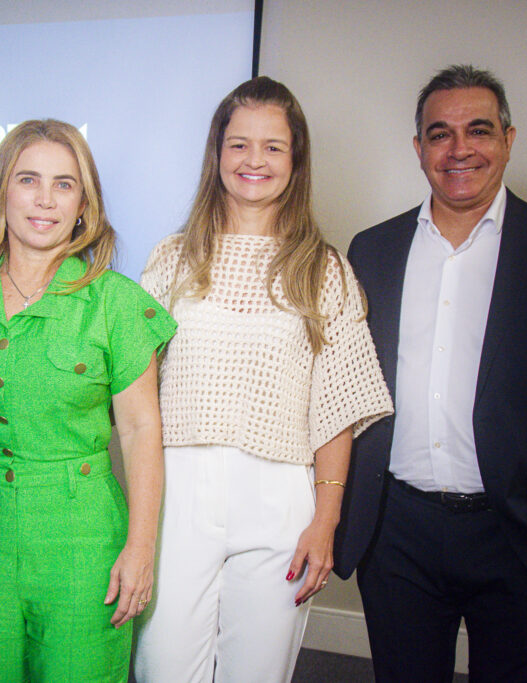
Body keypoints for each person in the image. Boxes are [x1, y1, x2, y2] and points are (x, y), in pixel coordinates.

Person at [334, 64, 527, 681]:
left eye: (478, 130)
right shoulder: (373, 249)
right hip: (398, 534)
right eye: (439, 133)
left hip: (525, 534)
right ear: (419, 148)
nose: (459, 149)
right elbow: (344, 386)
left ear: (507, 138)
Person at [134, 76, 392, 683]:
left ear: (295, 161)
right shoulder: (171, 259)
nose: (255, 160)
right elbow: (136, 394)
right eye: (239, 144)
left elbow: (340, 406)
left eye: (273, 147)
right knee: (163, 668)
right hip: (178, 490)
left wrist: (325, 522)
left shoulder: (324, 270)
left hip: (280, 496)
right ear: (217, 154)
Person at [0, 119, 174, 682]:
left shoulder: (116, 304)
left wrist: (141, 550)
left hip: (82, 539)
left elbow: (139, 432)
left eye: (64, 184)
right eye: (28, 179)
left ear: (85, 203)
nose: (44, 199)